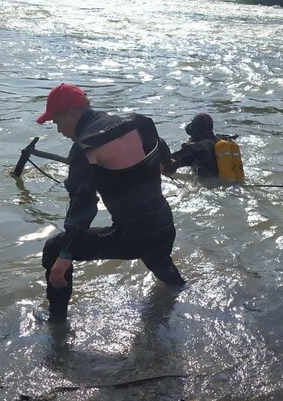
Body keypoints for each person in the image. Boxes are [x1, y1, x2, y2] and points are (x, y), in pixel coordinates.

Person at [35, 83, 185, 322]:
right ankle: (183, 294)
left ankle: (56, 325)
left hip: (132, 237)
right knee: (162, 267)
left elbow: (83, 207)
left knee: (54, 249)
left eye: (56, 121)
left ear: (71, 113)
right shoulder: (138, 122)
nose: (59, 130)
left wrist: (65, 256)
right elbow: (163, 152)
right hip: (164, 226)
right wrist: (165, 165)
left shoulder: (85, 148)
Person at [162, 113, 220, 178]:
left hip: (208, 185)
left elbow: (169, 163)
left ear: (194, 131)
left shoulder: (195, 148)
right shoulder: (219, 141)